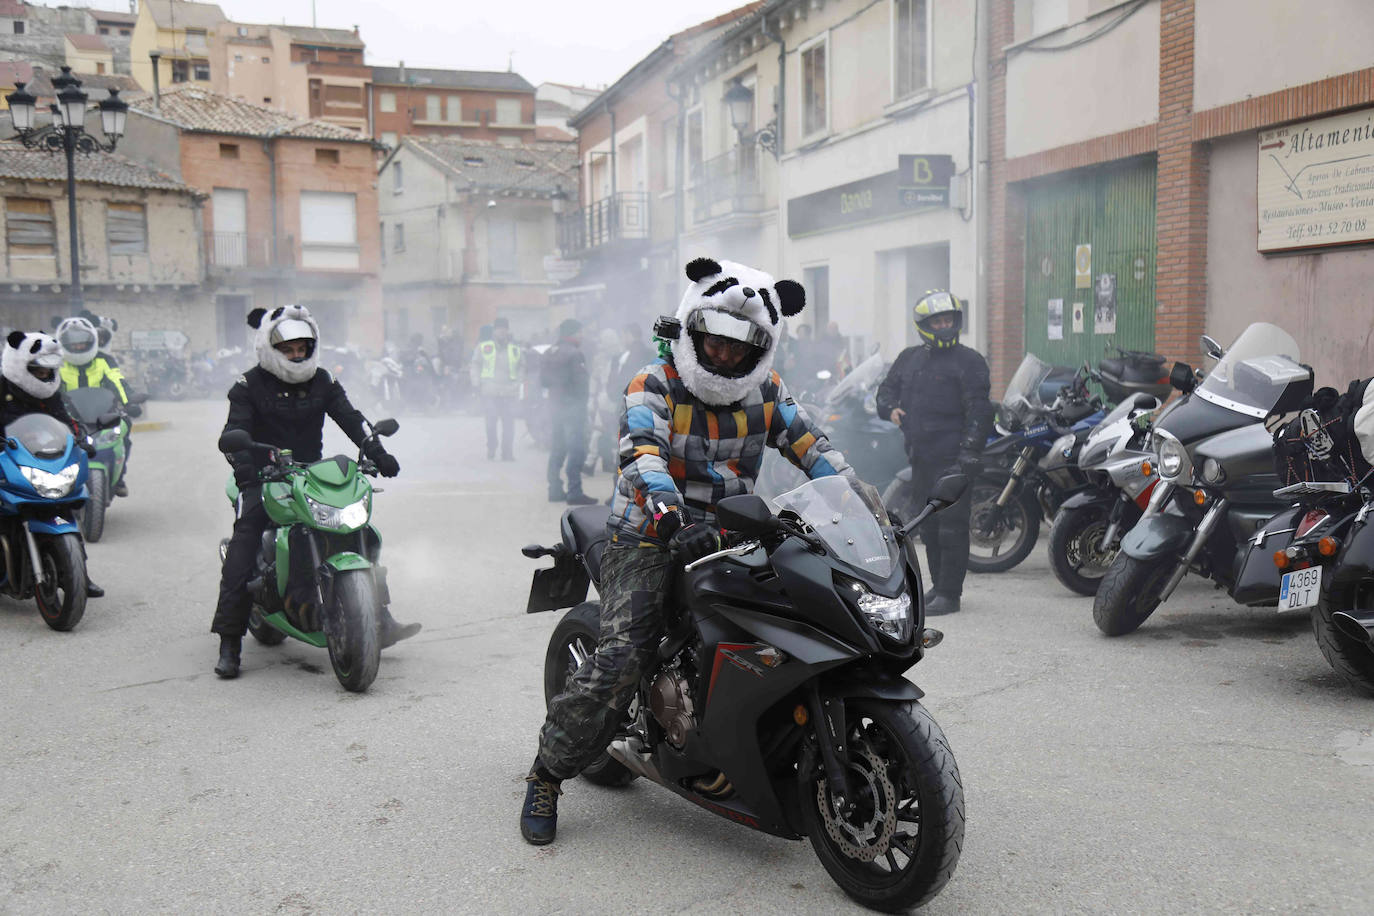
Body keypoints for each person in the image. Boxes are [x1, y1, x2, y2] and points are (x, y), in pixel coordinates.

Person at [520, 256, 852, 845]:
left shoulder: (769, 391)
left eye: (740, 346)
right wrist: (672, 517)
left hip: (734, 530)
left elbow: (811, 446)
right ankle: (547, 774)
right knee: (623, 655)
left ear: (761, 347)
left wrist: (857, 499)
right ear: (692, 329)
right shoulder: (655, 382)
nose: (724, 356)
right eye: (714, 342)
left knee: (808, 615)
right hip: (647, 534)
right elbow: (642, 452)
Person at [211, 304, 419, 679]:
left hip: (310, 473)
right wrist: (249, 477)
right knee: (243, 545)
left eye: (302, 347)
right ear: (271, 346)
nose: (295, 354)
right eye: (288, 348)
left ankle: (379, 616)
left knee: (358, 529)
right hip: (264, 475)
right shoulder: (249, 385)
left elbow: (350, 418)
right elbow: (235, 434)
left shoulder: (323, 381)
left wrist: (378, 453)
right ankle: (229, 641)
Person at [876, 290, 992, 617]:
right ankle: (938, 587)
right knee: (928, 527)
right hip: (921, 458)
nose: (944, 325)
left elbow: (980, 411)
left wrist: (970, 451)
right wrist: (890, 410)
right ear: (924, 325)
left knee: (951, 526)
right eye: (937, 321)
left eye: (948, 319)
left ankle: (950, 595)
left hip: (954, 459)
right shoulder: (909, 357)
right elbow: (885, 392)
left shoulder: (969, 361)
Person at [2, 330, 104, 597]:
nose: (45, 375)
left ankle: (79, 573)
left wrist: (80, 436)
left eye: (49, 371)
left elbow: (65, 419)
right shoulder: (2, 388)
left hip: (43, 457)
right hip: (9, 457)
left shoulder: (52, 393)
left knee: (64, 506)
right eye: (39, 370)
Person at [56, 316, 137, 496]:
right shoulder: (58, 362)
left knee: (124, 431)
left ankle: (119, 477)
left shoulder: (104, 360)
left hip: (101, 415)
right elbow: (50, 388)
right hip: (67, 417)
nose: (78, 347)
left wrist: (128, 401)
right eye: (73, 344)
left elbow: (117, 382)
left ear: (92, 340)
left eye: (82, 343)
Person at [541, 319, 597, 506]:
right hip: (573, 408)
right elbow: (582, 384)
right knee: (576, 449)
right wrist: (583, 405)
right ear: (572, 333)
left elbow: (542, 381)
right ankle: (574, 490)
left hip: (555, 406)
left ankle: (554, 489)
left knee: (557, 447)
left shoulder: (550, 352)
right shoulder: (575, 354)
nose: (582, 336)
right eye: (580, 332)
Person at [470, 317, 522, 461]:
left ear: (508, 331)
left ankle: (507, 452)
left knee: (509, 425)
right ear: (494, 331)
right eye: (499, 328)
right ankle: (492, 446)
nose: (502, 331)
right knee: (491, 423)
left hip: (509, 392)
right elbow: (475, 364)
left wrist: (518, 382)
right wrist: (476, 381)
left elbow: (521, 367)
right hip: (490, 392)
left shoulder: (515, 349)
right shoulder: (484, 347)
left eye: (504, 328)